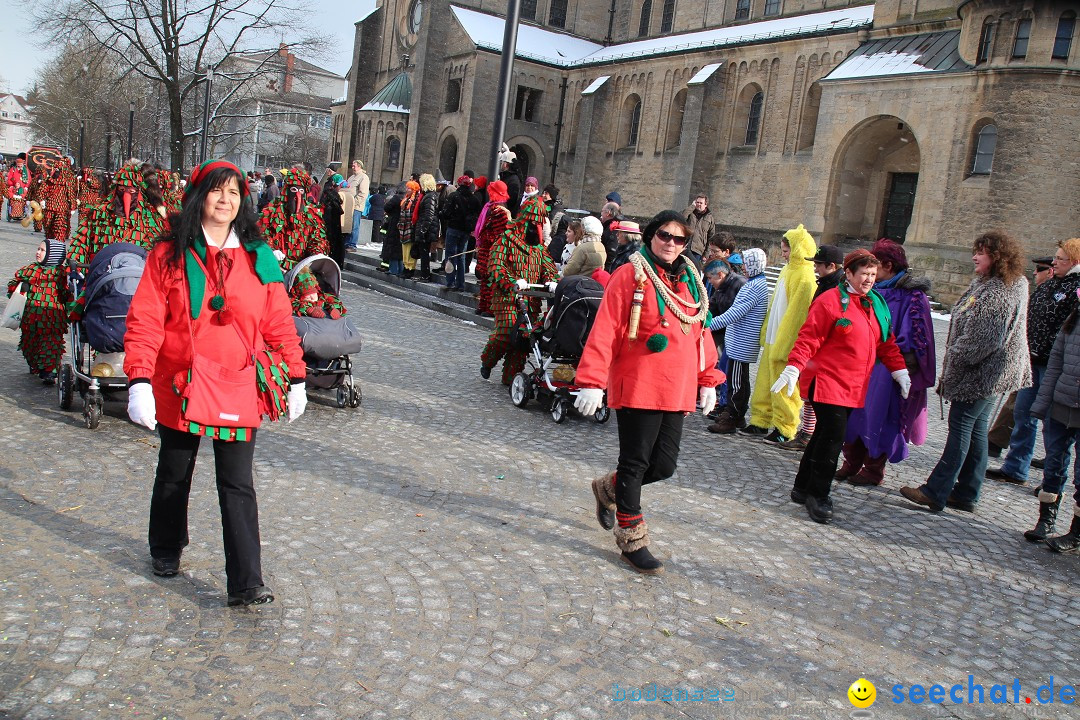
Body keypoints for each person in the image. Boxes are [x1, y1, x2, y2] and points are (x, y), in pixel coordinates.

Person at [124, 161, 306, 606]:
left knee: (238, 482)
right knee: (174, 471)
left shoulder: (258, 255)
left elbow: (279, 320)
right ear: (198, 196)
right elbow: (146, 319)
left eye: (233, 192)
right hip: (179, 381)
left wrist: (296, 375)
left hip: (238, 383)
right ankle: (166, 549)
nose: (225, 200)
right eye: (216, 191)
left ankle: (246, 582)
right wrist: (139, 380)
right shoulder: (168, 253)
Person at [575, 210, 723, 573]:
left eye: (679, 239)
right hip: (639, 382)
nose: (671, 244)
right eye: (664, 236)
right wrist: (593, 380)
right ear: (651, 236)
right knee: (635, 462)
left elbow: (699, 333)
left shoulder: (691, 280)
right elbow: (606, 328)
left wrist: (707, 378)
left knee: (664, 465)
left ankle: (608, 489)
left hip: (677, 387)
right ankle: (632, 540)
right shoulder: (629, 274)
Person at [773, 249, 909, 523]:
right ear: (848, 273)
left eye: (873, 274)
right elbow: (809, 337)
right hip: (827, 381)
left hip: (855, 385)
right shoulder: (830, 301)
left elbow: (886, 341)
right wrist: (794, 365)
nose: (869, 280)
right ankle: (818, 494)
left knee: (824, 435)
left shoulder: (875, 303)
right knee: (834, 437)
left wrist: (899, 370)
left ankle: (802, 487)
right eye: (864, 274)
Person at [900, 230, 1031, 514]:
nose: (974, 256)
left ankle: (936, 491)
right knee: (976, 430)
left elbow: (982, 341)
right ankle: (967, 492)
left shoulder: (1000, 290)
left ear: (996, 257)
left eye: (981, 252)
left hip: (981, 375)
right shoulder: (998, 283)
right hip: (989, 373)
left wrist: (955, 358)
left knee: (961, 429)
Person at [837, 239, 936, 486]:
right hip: (860, 364)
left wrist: (898, 368)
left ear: (888, 266)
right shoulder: (870, 290)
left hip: (886, 368)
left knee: (879, 416)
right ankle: (851, 461)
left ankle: (873, 468)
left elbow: (916, 339)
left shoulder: (912, 297)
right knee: (853, 415)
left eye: (875, 266)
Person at [986, 238, 1080, 486]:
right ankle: (1016, 467)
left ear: (1074, 261)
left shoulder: (1075, 288)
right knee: (1022, 412)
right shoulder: (1052, 283)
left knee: (1053, 424)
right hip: (1033, 360)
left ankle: (1052, 478)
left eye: (1060, 258)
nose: (1054, 262)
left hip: (1055, 366)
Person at [744, 225, 817, 445]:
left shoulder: (805, 278)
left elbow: (797, 315)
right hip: (773, 336)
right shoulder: (787, 270)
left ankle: (785, 427)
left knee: (785, 387)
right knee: (765, 382)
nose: (783, 255)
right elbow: (775, 303)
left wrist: (787, 343)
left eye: (786, 251)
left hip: (785, 341)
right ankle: (761, 418)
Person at [480, 196, 558, 384]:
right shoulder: (506, 239)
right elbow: (496, 266)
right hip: (507, 296)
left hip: (531, 298)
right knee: (506, 331)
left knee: (524, 338)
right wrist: (512, 281)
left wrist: (552, 280)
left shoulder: (539, 248)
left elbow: (548, 268)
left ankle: (511, 377)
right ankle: (488, 361)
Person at [988, 256, 1056, 457]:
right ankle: (997, 443)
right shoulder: (1042, 292)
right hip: (1031, 355)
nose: (1035, 273)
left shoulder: (1060, 292)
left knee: (1031, 409)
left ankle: (999, 443)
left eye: (1040, 269)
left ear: (1050, 271)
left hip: (1045, 360)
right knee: (1019, 406)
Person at [783, 244, 849, 451]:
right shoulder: (826, 282)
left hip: (825, 349)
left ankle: (810, 434)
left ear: (831, 265)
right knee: (808, 392)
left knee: (815, 394)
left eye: (819, 265)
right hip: (815, 345)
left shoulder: (837, 287)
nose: (815, 268)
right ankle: (808, 432)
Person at [1028, 305, 1080, 550]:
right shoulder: (1074, 317)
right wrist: (1042, 403)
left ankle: (1076, 533)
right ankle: (1046, 520)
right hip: (1061, 405)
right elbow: (1055, 365)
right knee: (1053, 464)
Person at [707, 249, 769, 434]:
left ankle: (733, 416)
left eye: (746, 263)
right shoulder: (755, 284)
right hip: (739, 340)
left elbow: (735, 313)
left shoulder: (755, 286)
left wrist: (709, 325)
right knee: (738, 380)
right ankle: (735, 415)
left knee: (737, 382)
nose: (743, 267)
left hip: (742, 342)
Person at [68, 162, 168, 266]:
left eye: (132, 191)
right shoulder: (99, 214)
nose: (126, 195)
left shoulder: (150, 220)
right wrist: (75, 265)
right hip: (101, 273)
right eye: (122, 190)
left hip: (136, 275)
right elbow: (80, 243)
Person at [6, 239, 70, 383]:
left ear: (53, 255)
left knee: (51, 344)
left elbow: (67, 295)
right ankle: (35, 363)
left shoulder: (61, 274)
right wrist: (19, 287)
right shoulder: (30, 269)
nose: (38, 252)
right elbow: (13, 283)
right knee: (29, 344)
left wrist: (69, 292)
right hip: (30, 318)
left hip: (52, 318)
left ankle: (49, 371)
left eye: (42, 250)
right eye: (38, 249)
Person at [257, 168, 327, 270]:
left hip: (302, 267)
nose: (297, 195)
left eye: (301, 191)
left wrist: (317, 253)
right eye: (293, 190)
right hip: (277, 265)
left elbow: (317, 238)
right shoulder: (273, 210)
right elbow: (262, 233)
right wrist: (271, 249)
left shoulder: (312, 214)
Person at [473, 179, 511, 316]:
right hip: (486, 251)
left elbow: (499, 236)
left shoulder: (500, 212)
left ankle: (490, 308)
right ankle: (483, 305)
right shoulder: (491, 209)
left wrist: (486, 239)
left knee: (491, 281)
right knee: (485, 280)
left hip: (493, 252)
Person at [439, 175, 481, 291]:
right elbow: (477, 214)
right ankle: (460, 283)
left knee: (450, 255)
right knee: (461, 256)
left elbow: (446, 213)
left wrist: (443, 214)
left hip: (453, 228)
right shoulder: (474, 199)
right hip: (465, 231)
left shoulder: (454, 196)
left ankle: (450, 282)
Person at [41, 161, 79, 242]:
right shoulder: (49, 180)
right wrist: (41, 200)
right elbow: (43, 190)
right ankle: (50, 242)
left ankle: (58, 244)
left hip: (61, 209)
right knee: (47, 225)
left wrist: (73, 207)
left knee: (59, 227)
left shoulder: (66, 183)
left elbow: (71, 195)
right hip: (49, 206)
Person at [414, 173, 440, 281]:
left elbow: (429, 214)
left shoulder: (430, 196)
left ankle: (425, 275)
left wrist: (423, 229)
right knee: (424, 252)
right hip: (428, 228)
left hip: (427, 229)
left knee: (424, 253)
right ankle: (424, 274)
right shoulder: (429, 195)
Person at [320, 174, 345, 268]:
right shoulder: (332, 197)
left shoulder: (327, 194)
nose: (341, 187)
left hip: (329, 226)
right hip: (332, 227)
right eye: (340, 185)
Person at [683, 194, 716, 264]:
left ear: (705, 204)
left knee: (693, 270)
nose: (698, 204)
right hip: (685, 246)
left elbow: (711, 237)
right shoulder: (690, 212)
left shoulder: (710, 218)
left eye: (701, 203)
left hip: (697, 250)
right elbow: (682, 217)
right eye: (697, 202)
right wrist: (692, 206)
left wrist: (706, 254)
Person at [346, 160, 370, 249]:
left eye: (354, 166)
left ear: (360, 166)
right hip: (348, 205)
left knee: (354, 226)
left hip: (356, 206)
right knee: (348, 225)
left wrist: (354, 203)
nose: (352, 167)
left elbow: (363, 193)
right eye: (352, 166)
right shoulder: (351, 177)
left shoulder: (364, 177)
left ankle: (352, 244)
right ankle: (347, 242)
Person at [382, 184, 404, 276]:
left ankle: (393, 269)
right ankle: (400, 269)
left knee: (392, 247)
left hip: (394, 224)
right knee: (400, 249)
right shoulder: (407, 198)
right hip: (403, 225)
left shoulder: (396, 198)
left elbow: (386, 207)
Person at [497, 145, 522, 218]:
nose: (501, 164)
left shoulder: (513, 179)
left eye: (502, 162)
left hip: (504, 213)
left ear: (506, 164)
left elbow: (511, 200)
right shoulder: (507, 176)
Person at [6, 153, 30, 222]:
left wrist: (26, 187)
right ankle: (13, 213)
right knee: (13, 200)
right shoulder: (13, 169)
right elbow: (9, 179)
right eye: (18, 165)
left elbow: (28, 179)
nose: (19, 166)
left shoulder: (26, 170)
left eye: (21, 165)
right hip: (14, 188)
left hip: (23, 189)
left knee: (24, 201)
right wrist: (12, 185)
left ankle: (23, 212)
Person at [600, 201, 623, 268]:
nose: (601, 214)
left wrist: (607, 269)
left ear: (608, 213)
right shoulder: (610, 225)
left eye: (602, 211)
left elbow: (611, 251)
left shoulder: (612, 228)